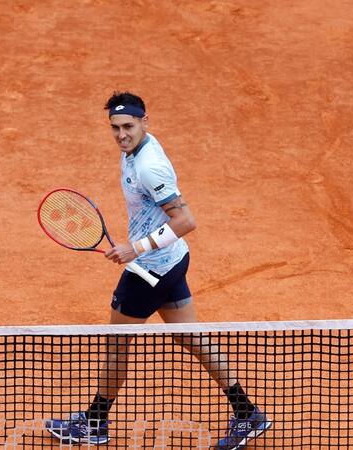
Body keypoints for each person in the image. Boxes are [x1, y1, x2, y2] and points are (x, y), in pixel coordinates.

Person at [45, 91, 271, 449]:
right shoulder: (135, 150)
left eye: (129, 126)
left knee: (116, 347)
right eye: (115, 128)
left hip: (149, 271)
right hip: (173, 261)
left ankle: (95, 423)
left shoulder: (149, 166)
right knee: (192, 339)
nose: (121, 134)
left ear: (145, 122)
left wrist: (136, 247)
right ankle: (247, 413)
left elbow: (185, 220)